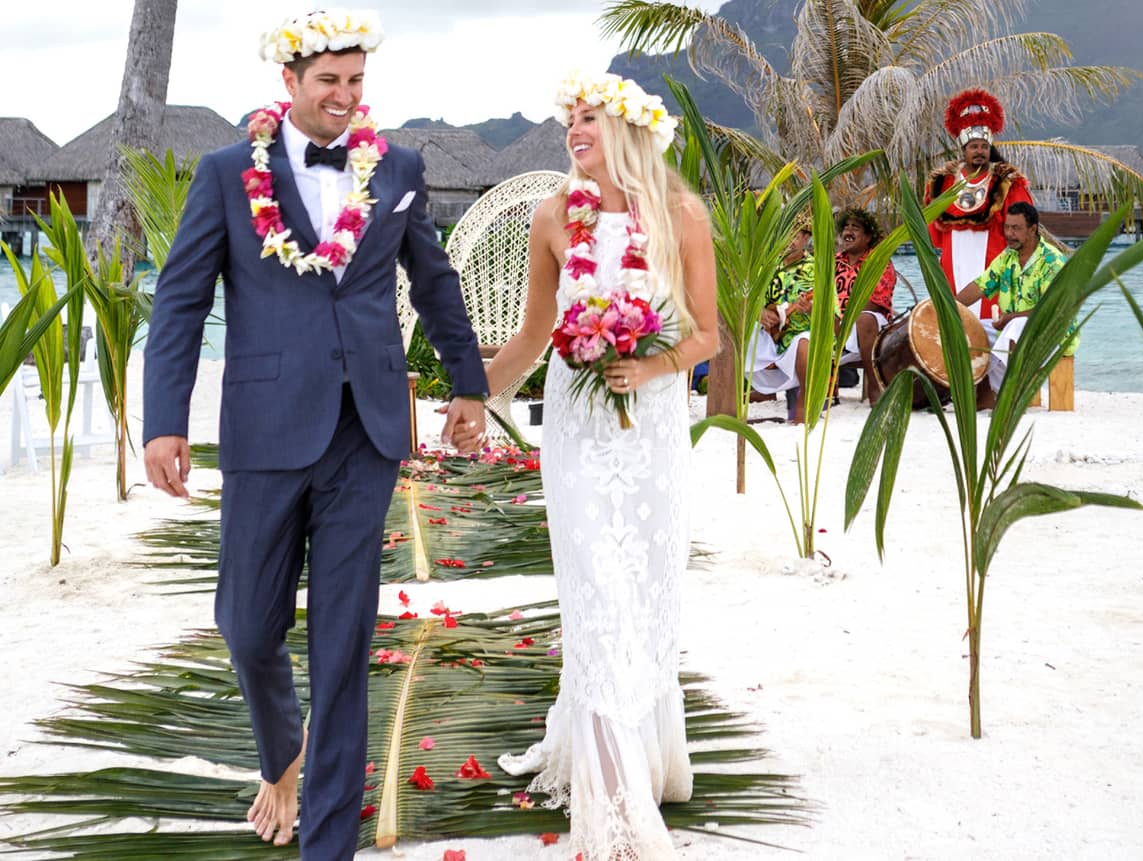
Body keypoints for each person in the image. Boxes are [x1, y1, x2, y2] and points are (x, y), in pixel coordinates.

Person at [140, 11, 489, 857]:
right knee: (247, 624)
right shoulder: (227, 174)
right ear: (290, 82)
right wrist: (163, 422)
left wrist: (467, 384)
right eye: (329, 81)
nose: (345, 96)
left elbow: (435, 282)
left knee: (342, 638)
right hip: (263, 427)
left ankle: (327, 842)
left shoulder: (399, 167)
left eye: (356, 82)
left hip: (364, 430)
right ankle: (281, 751)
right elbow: (182, 299)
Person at [478, 70, 717, 860]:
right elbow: (532, 336)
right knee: (594, 590)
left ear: (629, 130)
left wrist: (651, 368)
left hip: (650, 427)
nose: (574, 131)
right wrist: (468, 393)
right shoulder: (554, 217)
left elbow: (708, 336)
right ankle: (612, 796)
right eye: (568, 121)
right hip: (578, 429)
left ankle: (645, 758)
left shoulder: (681, 215)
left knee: (646, 587)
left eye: (588, 118)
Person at [924, 88, 1035, 323]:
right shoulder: (940, 183)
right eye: (974, 146)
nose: (979, 151)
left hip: (994, 260)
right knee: (955, 322)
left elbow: (1024, 227)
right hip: (953, 262)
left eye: (984, 147)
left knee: (991, 324)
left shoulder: (1007, 182)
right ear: (963, 149)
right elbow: (933, 234)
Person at [954, 201, 1076, 406]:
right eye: (1007, 227)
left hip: (1051, 334)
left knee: (1016, 327)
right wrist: (948, 306)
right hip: (1010, 330)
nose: (1009, 234)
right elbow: (980, 286)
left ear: (1033, 229)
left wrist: (1011, 318)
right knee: (973, 328)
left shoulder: (1052, 261)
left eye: (1016, 228)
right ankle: (982, 394)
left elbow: (1052, 308)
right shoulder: (1007, 257)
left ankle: (1010, 395)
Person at [746, 218, 816, 416]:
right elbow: (747, 299)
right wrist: (758, 312)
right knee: (734, 329)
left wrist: (811, 309)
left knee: (805, 341)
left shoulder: (816, 269)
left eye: (793, 234)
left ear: (805, 238)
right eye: (783, 234)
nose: (787, 240)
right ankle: (729, 403)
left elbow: (833, 318)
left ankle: (803, 405)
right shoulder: (767, 265)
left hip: (798, 337)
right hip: (770, 337)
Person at [832, 207, 896, 403]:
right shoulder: (833, 262)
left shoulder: (878, 261)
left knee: (864, 317)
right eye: (846, 227)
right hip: (836, 322)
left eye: (855, 228)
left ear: (868, 237)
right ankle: (826, 389)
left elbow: (877, 302)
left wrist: (846, 316)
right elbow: (816, 293)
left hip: (872, 323)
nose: (848, 232)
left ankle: (874, 385)